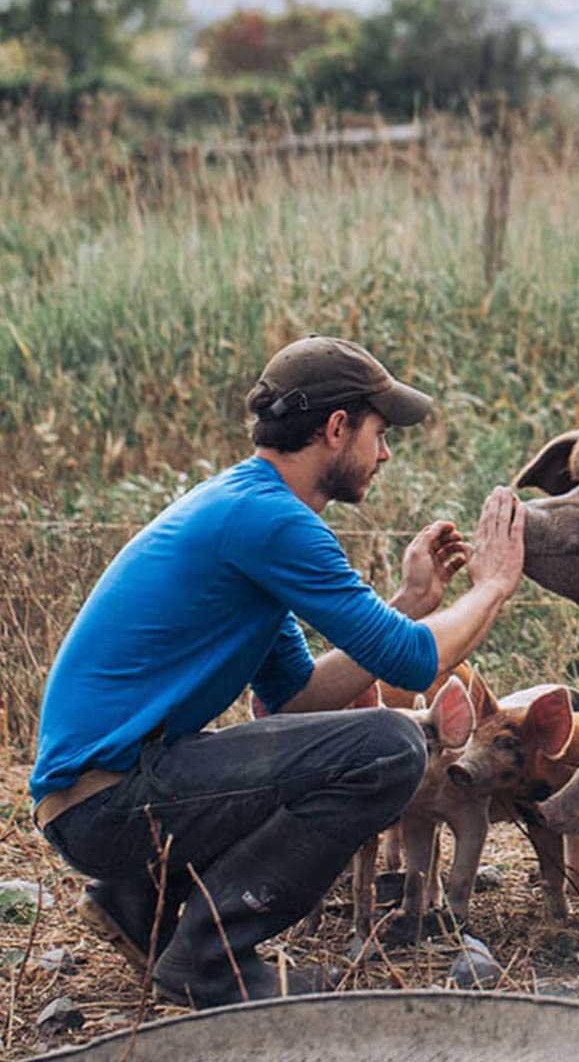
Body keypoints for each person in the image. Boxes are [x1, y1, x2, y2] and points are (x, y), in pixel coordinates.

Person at [29, 335, 527, 1008]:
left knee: (365, 743)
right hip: (108, 805)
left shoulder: (245, 508)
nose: (384, 453)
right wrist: (492, 586)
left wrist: (409, 603)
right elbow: (413, 659)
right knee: (391, 746)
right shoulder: (268, 520)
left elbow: (294, 699)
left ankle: (139, 900)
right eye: (379, 434)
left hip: (102, 800)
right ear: (335, 429)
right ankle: (208, 962)